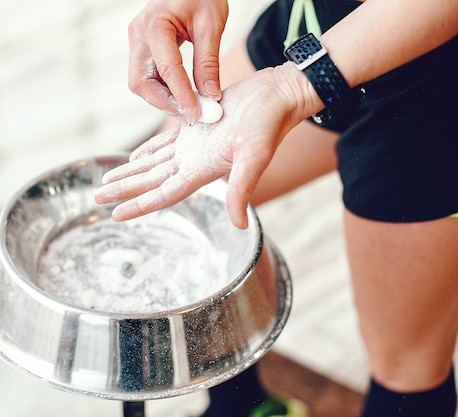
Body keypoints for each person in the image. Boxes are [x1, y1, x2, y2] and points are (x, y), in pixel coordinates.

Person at [94, 0, 458, 416]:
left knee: (405, 370)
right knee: (177, 212)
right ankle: (244, 408)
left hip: (434, 82)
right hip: (314, 23)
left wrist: (297, 86)